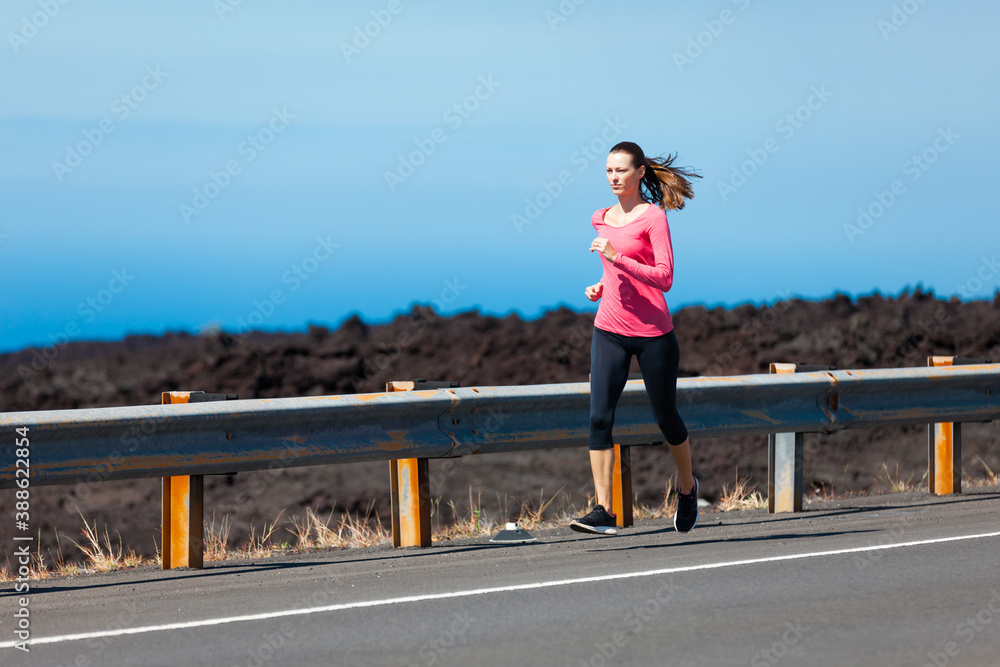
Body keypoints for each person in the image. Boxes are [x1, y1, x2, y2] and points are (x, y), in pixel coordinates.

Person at [569, 141, 701, 537]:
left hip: (653, 335)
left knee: (665, 417)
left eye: (622, 170)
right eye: (609, 171)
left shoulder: (653, 218)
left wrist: (616, 258)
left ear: (640, 172)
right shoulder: (600, 217)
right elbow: (615, 275)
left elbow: (665, 277)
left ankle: (688, 487)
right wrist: (602, 285)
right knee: (598, 418)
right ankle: (604, 510)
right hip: (609, 329)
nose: (614, 177)